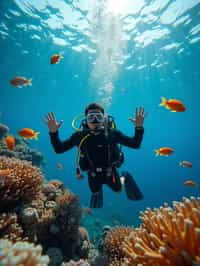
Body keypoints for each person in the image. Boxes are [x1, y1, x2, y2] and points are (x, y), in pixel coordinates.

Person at [45, 102, 146, 208]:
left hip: (110, 171)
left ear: (104, 119)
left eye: (98, 116)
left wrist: (139, 128)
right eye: (91, 117)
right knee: (95, 194)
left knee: (118, 190)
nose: (95, 120)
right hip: (92, 174)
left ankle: (124, 176)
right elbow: (59, 149)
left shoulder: (113, 134)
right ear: (85, 120)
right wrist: (53, 132)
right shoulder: (79, 136)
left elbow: (135, 144)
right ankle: (98, 192)